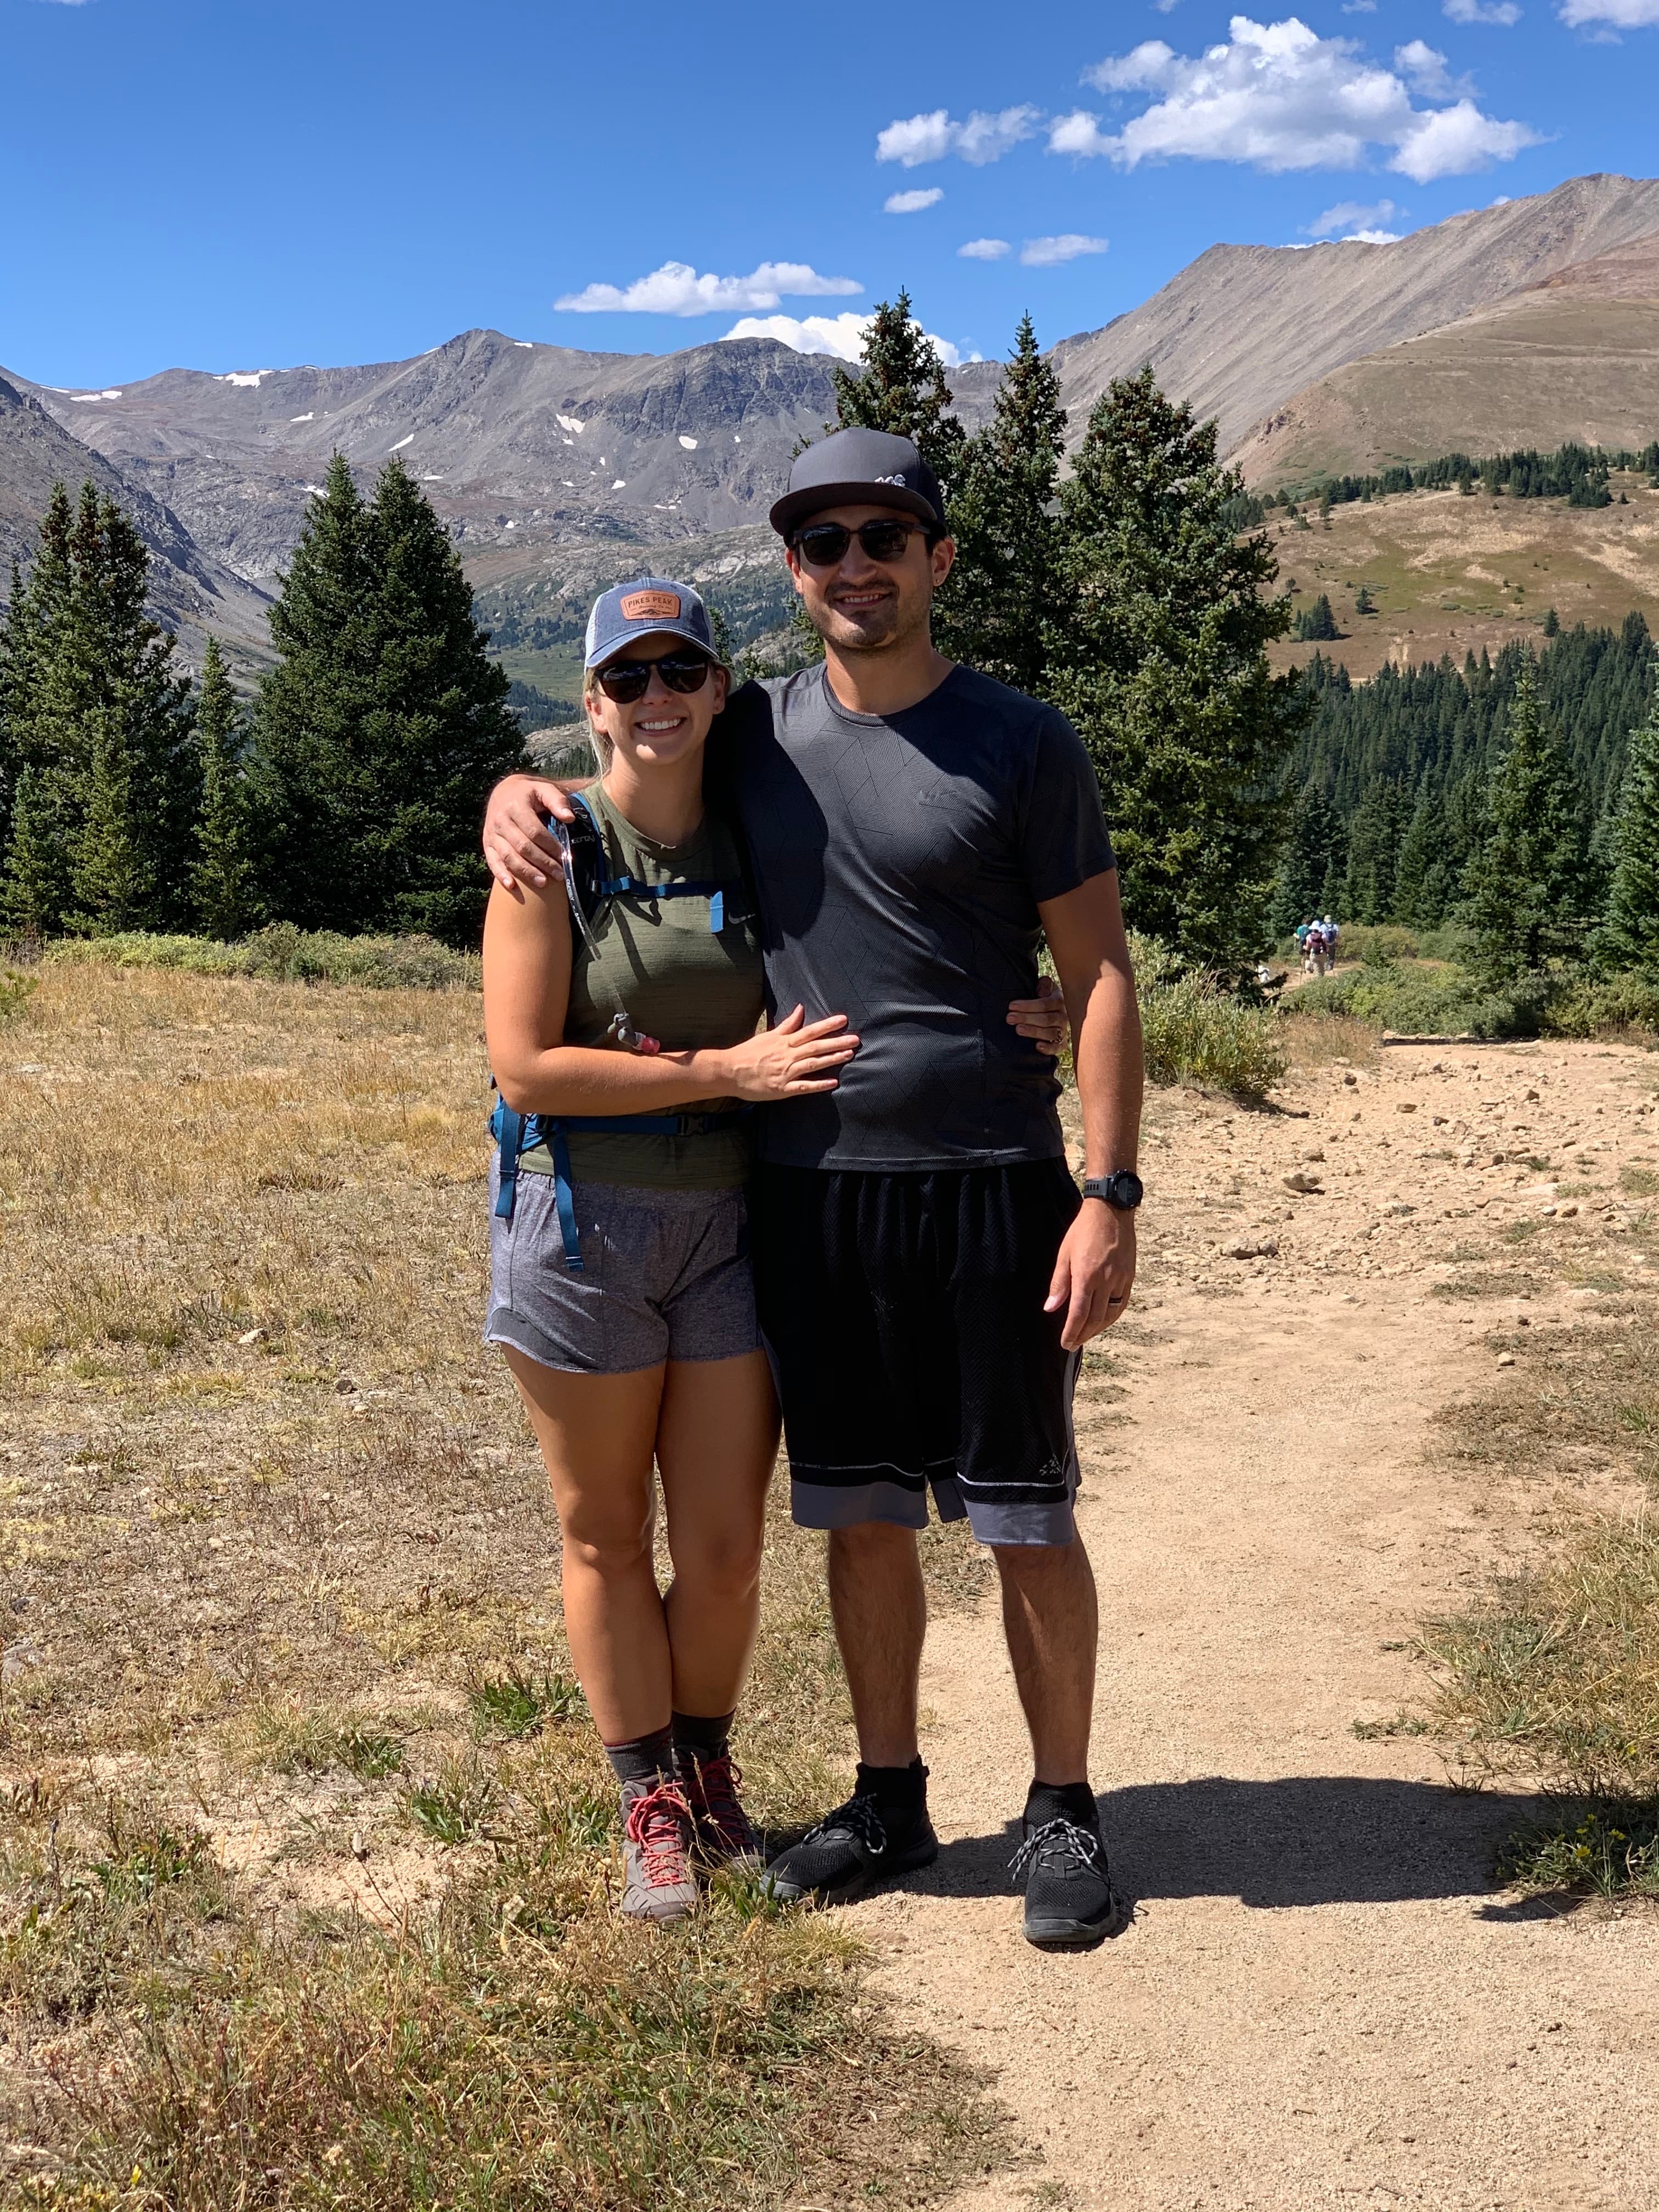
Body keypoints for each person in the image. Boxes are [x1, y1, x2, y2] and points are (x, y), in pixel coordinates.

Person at [484, 428, 1144, 1949]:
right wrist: (508, 792)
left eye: (883, 536)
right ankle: (891, 1795)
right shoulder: (757, 732)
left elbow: (1098, 971)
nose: (855, 564)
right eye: (824, 542)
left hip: (992, 1176)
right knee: (857, 1514)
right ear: (793, 571)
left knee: (1025, 1513)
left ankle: (1062, 1807)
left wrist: (1106, 1188)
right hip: (806, 1189)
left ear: (935, 558)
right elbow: (611, 771)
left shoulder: (1026, 742)